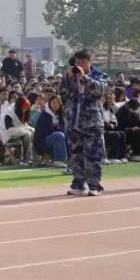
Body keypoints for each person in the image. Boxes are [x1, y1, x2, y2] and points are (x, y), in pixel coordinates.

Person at [59, 50, 107, 196]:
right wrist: (67, 78)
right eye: (77, 62)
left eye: (83, 62)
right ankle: (79, 183)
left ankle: (94, 185)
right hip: (74, 121)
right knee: (76, 155)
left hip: (92, 121)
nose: (79, 65)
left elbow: (101, 90)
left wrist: (85, 78)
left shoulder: (99, 75)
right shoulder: (71, 77)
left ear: (89, 62)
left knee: (92, 154)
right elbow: (63, 94)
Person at [33, 96, 68, 167]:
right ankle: (58, 160)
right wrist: (57, 128)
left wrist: (58, 128)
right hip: (42, 141)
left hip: (53, 137)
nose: (55, 105)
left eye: (58, 103)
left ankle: (71, 159)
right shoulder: (45, 114)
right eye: (53, 102)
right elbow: (48, 130)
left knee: (68, 135)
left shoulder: (60, 115)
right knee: (59, 135)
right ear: (49, 104)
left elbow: (63, 128)